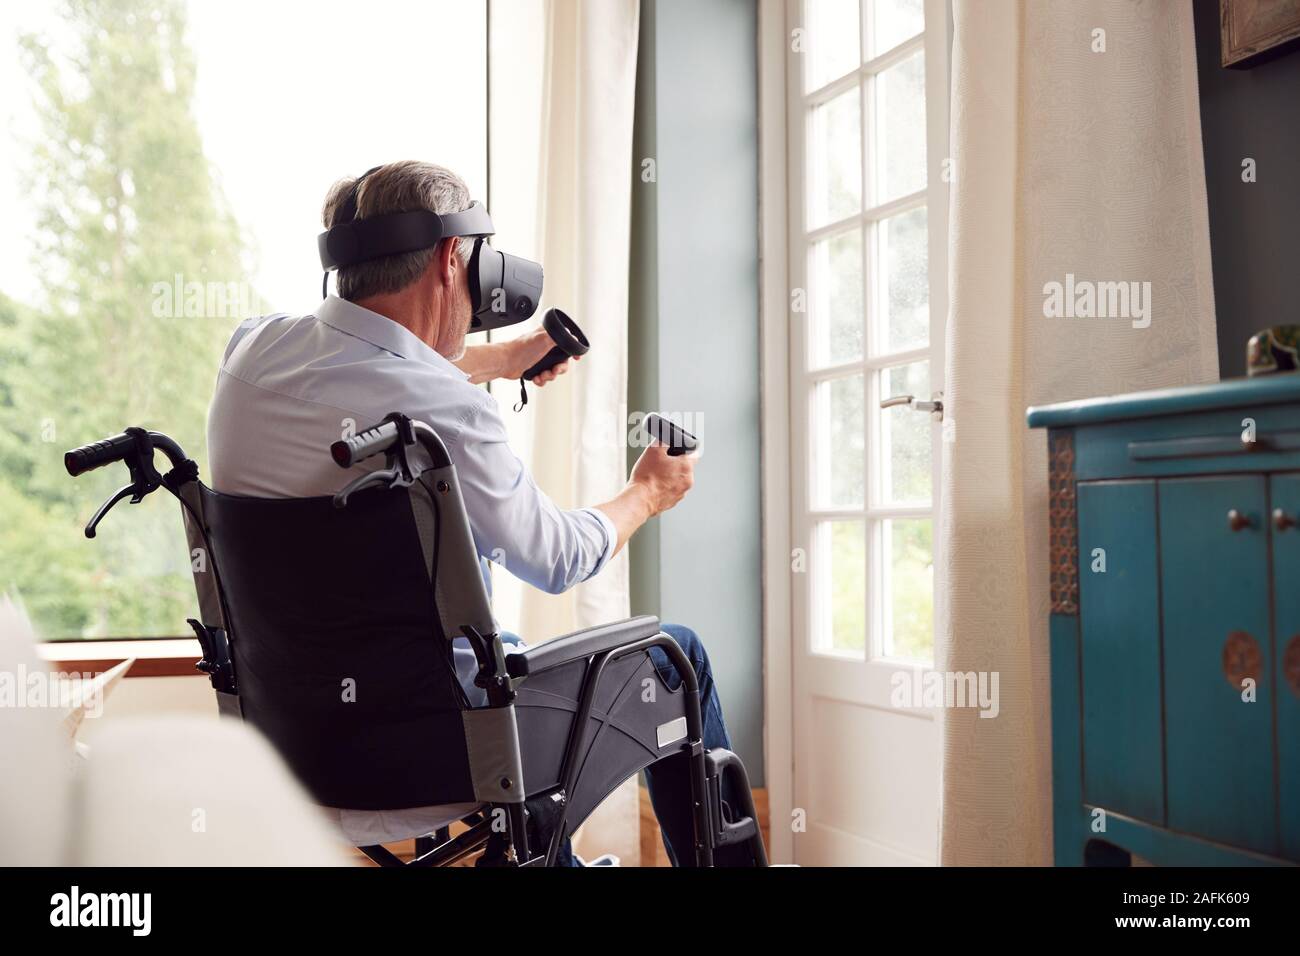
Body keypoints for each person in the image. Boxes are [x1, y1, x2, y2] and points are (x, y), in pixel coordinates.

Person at [205, 159, 746, 866]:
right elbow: (556, 558)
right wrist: (648, 491)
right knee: (679, 656)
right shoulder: (450, 414)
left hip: (294, 748)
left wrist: (499, 359)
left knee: (509, 651)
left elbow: (363, 375)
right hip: (442, 750)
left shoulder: (250, 354)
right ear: (449, 258)